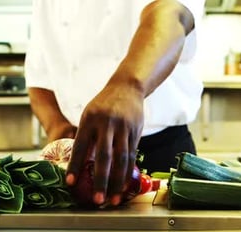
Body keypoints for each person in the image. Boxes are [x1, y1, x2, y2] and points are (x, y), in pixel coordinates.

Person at [25, 0, 205, 207]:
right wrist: (60, 131)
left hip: (163, 156)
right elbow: (40, 76)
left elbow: (170, 13)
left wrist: (128, 86)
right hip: (79, 161)